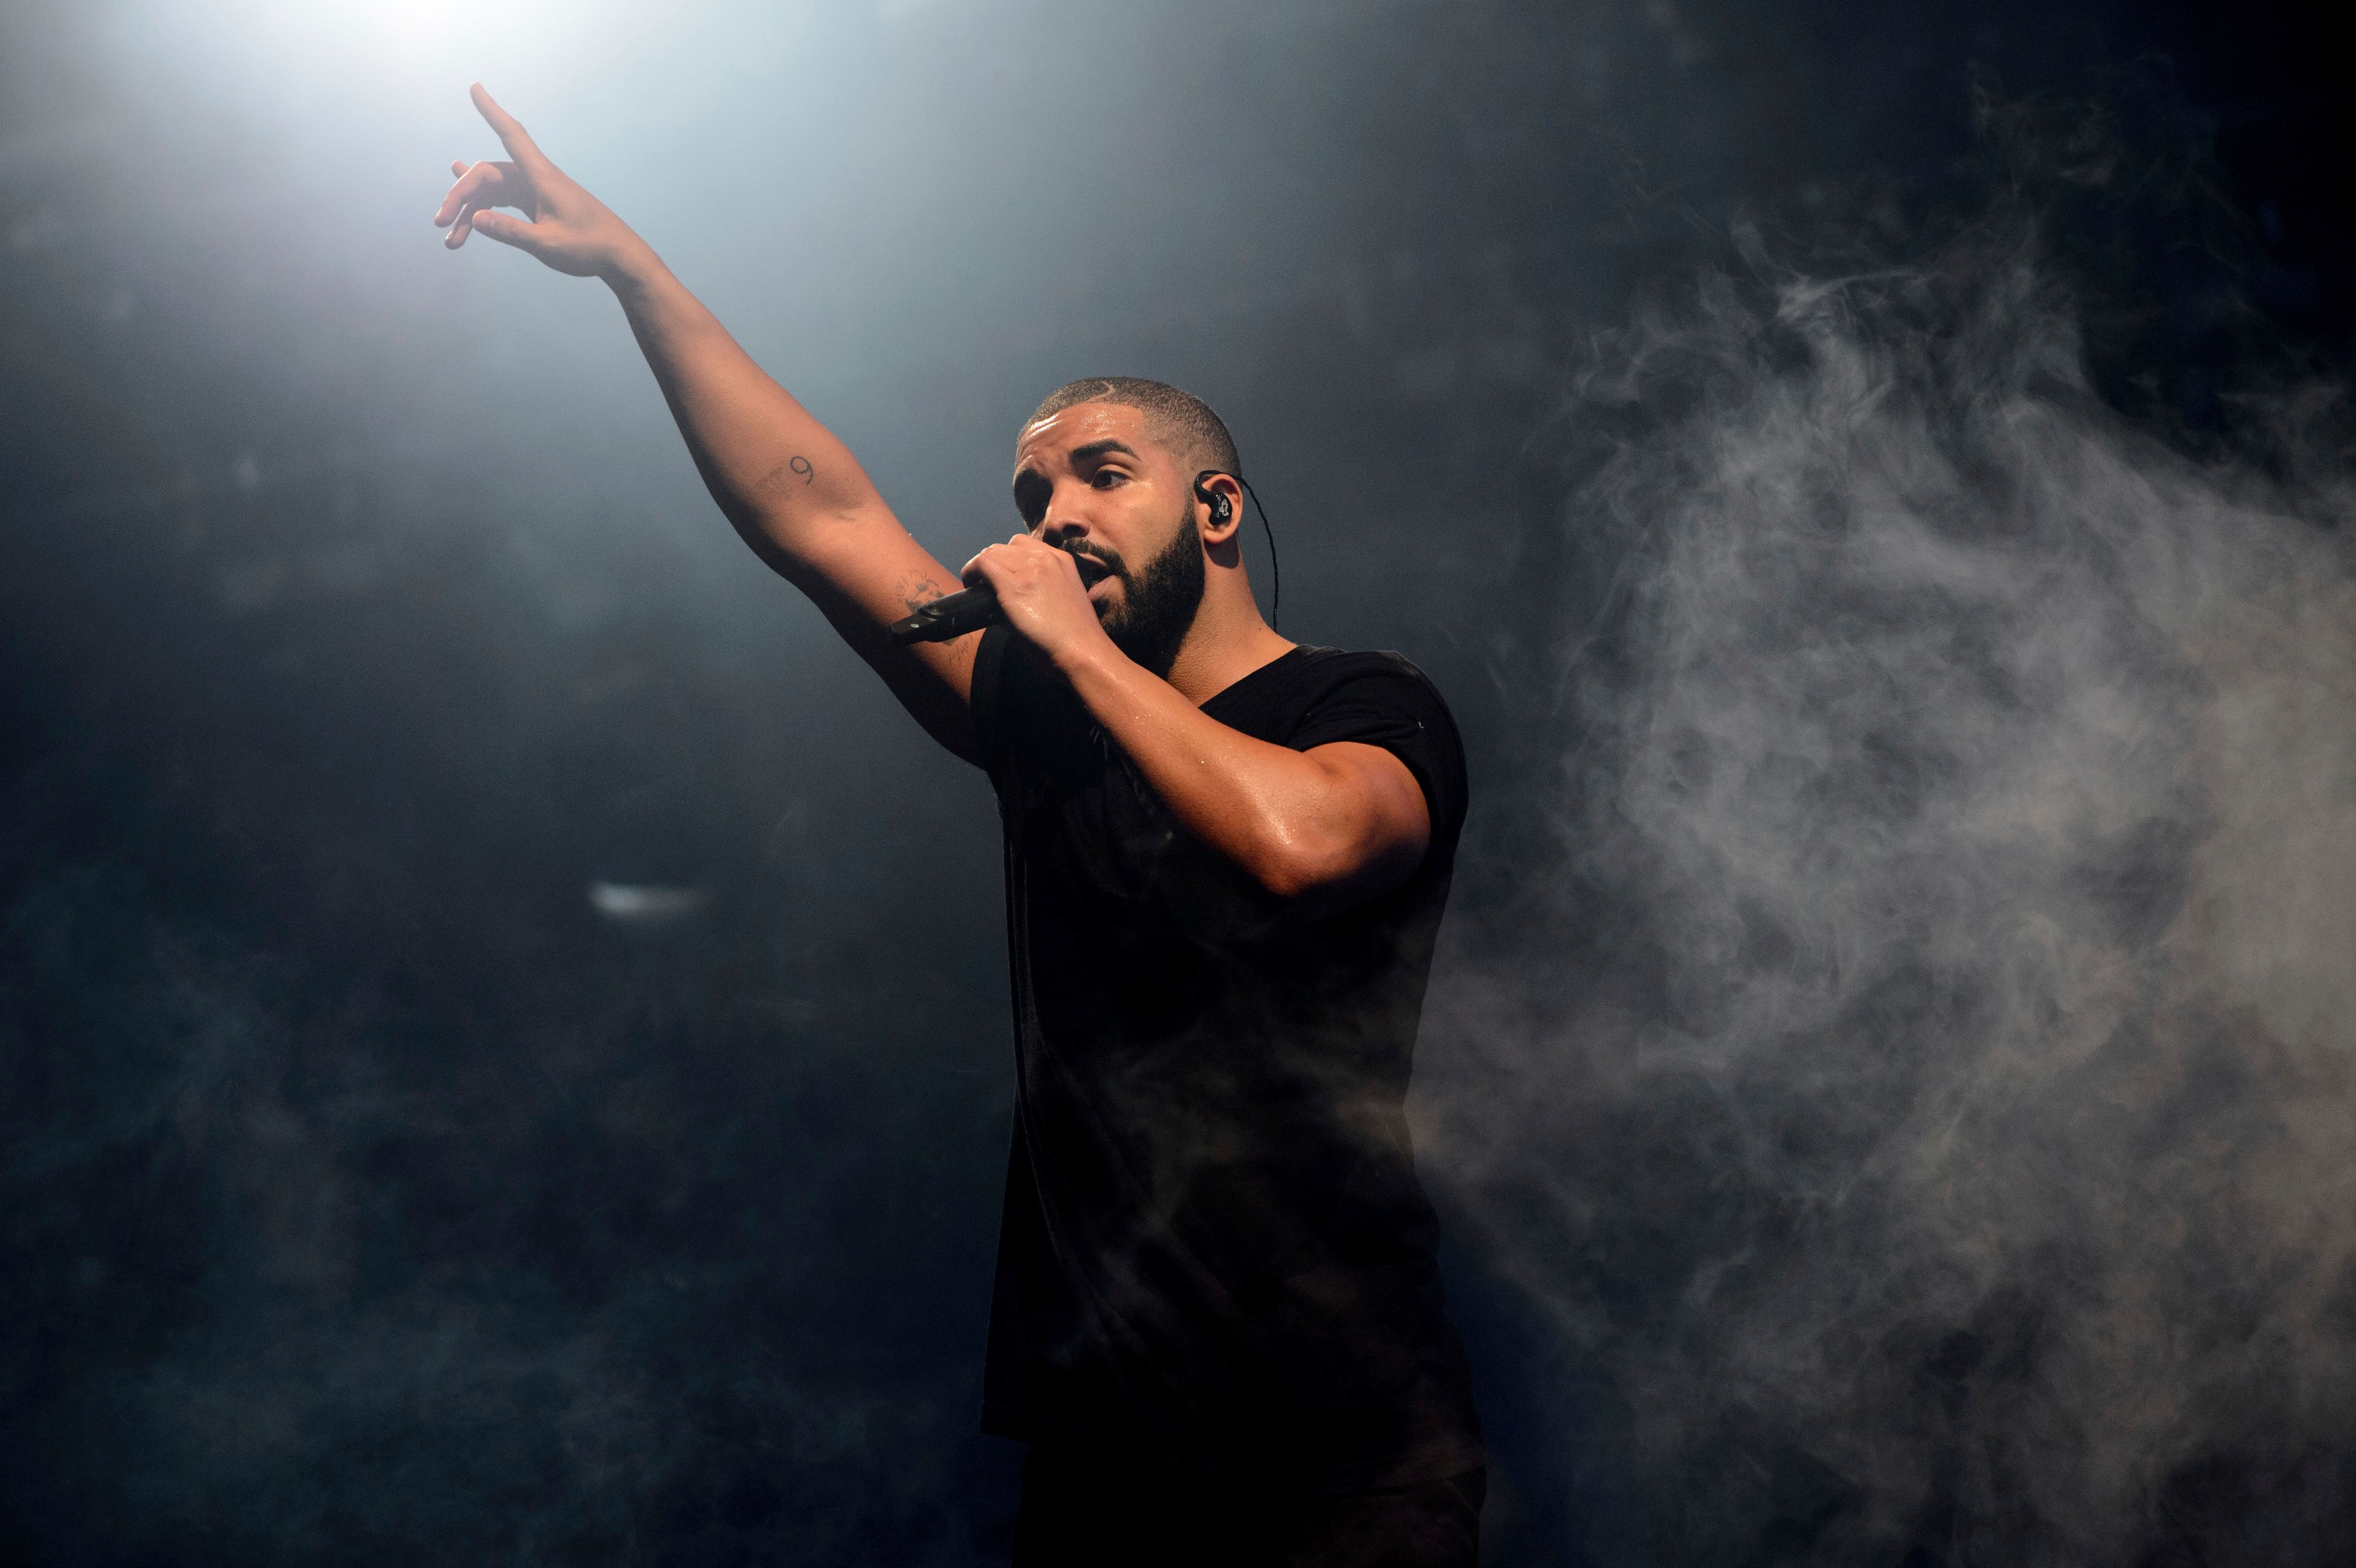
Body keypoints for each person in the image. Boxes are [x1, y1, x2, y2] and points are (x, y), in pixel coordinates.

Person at [434, 85, 1484, 1567]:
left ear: (1220, 509)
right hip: (1108, 1444)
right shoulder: (1045, 714)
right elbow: (819, 512)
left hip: (1345, 1444)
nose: (1053, 517)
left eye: (1102, 479)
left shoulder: (1366, 702)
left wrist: (1073, 651)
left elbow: (1302, 843)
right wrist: (629, 267)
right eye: (1031, 492)